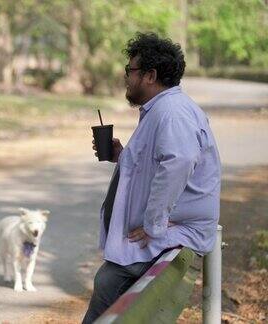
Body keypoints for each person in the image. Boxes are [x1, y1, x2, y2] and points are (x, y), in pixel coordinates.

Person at [83, 32, 221, 323]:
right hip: (164, 234)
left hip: (169, 236)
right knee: (108, 287)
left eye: (129, 70)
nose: (126, 78)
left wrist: (153, 224)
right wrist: (122, 155)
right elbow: (160, 163)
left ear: (150, 75)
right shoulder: (163, 109)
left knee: (109, 285)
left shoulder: (171, 112)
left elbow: (179, 161)